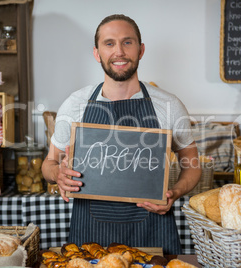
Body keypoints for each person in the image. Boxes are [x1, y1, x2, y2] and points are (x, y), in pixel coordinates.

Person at [42, 14, 201, 255]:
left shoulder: (168, 105)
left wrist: (175, 192)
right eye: (109, 43)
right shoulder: (75, 105)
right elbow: (49, 163)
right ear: (97, 53)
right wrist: (57, 174)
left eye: (127, 42)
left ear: (141, 50)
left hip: (153, 233)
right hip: (90, 236)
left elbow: (193, 165)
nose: (119, 51)